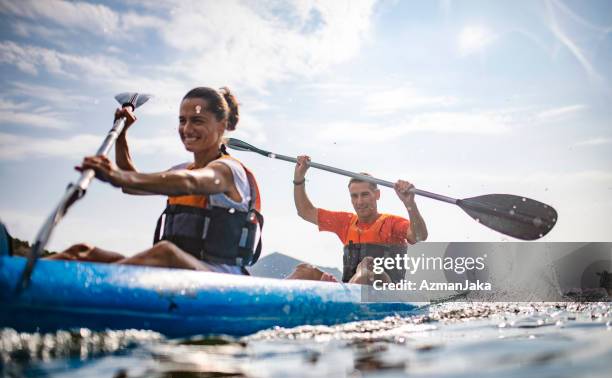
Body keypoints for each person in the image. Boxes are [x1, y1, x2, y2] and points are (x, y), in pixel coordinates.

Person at [48, 87, 263, 275]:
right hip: (177, 272)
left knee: (165, 252)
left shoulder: (228, 170)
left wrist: (117, 175)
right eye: (182, 120)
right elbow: (130, 185)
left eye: (197, 120)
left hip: (220, 279)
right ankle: (19, 274)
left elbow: (189, 182)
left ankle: (89, 287)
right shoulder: (181, 169)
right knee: (83, 252)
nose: (187, 129)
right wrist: (121, 136)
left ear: (221, 125)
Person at [287, 155, 427, 284]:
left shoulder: (392, 223)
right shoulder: (345, 222)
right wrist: (299, 178)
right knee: (304, 270)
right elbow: (305, 212)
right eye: (354, 196)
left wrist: (410, 204)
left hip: (386, 294)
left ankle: (352, 291)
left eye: (365, 194)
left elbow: (419, 236)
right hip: (351, 293)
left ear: (377, 195)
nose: (359, 202)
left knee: (368, 267)